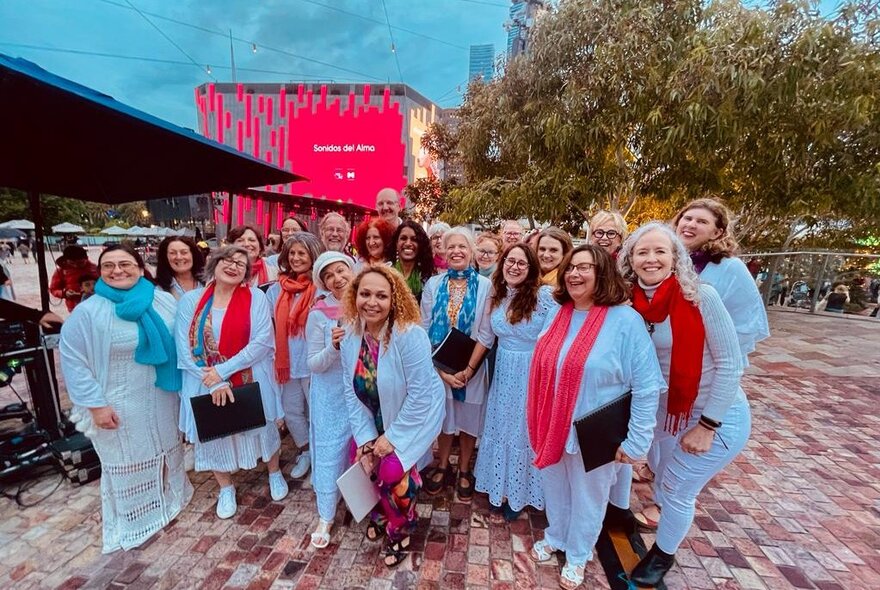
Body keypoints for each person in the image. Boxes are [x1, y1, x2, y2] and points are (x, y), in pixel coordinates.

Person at [618, 223, 751, 587]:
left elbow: (731, 364)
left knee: (677, 486)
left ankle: (663, 555)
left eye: (660, 251)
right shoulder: (631, 302)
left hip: (715, 413)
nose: (651, 258)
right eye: (642, 251)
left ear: (675, 257)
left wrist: (707, 426)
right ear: (630, 259)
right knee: (654, 472)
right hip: (666, 411)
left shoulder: (701, 297)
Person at [527, 244, 664, 590]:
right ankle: (557, 535)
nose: (574, 274)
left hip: (596, 430)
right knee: (555, 486)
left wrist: (636, 441)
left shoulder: (625, 320)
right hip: (553, 422)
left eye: (584, 267)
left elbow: (647, 385)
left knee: (589, 496)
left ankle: (578, 554)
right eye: (571, 267)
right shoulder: (559, 313)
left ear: (602, 273)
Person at [60, 244, 192, 552]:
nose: (117, 270)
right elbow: (74, 362)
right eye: (109, 266)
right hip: (117, 402)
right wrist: (96, 406)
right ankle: (136, 518)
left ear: (139, 266)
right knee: (126, 458)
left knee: (165, 446)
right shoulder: (89, 312)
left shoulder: (161, 300)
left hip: (162, 394)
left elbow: (185, 337)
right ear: (100, 271)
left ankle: (170, 499)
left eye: (125, 264)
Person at [340, 264, 445, 568]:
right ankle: (379, 511)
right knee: (358, 459)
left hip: (415, 414)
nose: (372, 302)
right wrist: (365, 439)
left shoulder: (409, 336)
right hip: (375, 410)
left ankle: (401, 528)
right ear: (355, 296)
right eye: (365, 294)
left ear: (394, 299)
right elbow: (351, 391)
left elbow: (421, 397)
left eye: (381, 296)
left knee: (392, 471)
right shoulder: (350, 335)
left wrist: (392, 439)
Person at [175, 245, 288, 519]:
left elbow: (262, 341)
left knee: (263, 427)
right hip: (205, 380)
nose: (234, 265)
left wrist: (224, 370)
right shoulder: (192, 300)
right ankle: (226, 487)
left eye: (241, 263)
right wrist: (214, 381)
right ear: (214, 264)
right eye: (228, 259)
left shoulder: (255, 298)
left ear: (247, 273)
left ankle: (274, 471)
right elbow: (184, 348)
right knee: (216, 433)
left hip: (248, 373)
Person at [474, 244, 558, 522]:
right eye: (510, 261)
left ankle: (520, 493)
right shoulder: (497, 296)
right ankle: (499, 486)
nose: (514, 267)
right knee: (502, 425)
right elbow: (486, 336)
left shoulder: (545, 296)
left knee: (524, 429)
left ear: (532, 269)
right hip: (504, 370)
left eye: (522, 263)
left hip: (533, 370)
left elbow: (556, 337)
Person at [420, 227, 494, 501]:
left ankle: (464, 468)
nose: (456, 251)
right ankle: (442, 464)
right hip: (439, 368)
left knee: (467, 419)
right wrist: (441, 372)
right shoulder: (434, 285)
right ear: (443, 251)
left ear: (472, 252)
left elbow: (486, 333)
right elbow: (423, 328)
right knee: (444, 419)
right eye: (451, 246)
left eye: (462, 246)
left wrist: (469, 370)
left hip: (470, 368)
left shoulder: (486, 286)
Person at [672, 198, 769, 364]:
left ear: (717, 233)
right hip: (668, 359)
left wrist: (717, 358)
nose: (691, 224)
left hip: (708, 363)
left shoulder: (730, 267)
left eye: (702, 221)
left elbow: (746, 323)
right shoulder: (665, 261)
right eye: (687, 218)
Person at [305, 252, 355, 548]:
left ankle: (359, 499)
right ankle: (325, 514)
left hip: (362, 393)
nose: (337, 278)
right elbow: (313, 363)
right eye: (329, 276)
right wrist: (333, 347)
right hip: (329, 395)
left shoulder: (368, 303)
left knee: (360, 448)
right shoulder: (319, 314)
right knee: (329, 451)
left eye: (341, 270)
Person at [266, 232, 326, 479]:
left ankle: (321, 457)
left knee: (317, 411)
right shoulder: (275, 291)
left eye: (302, 252)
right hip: (287, 365)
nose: (296, 257)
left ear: (313, 255)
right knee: (292, 412)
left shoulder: (322, 288)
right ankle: (305, 451)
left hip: (314, 364)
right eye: (292, 253)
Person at [386, 220, 434, 303]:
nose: (408, 243)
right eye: (403, 238)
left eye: (414, 239)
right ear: (396, 243)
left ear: (420, 245)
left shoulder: (428, 277)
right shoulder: (386, 273)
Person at [49, 245, 99, 312]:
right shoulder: (61, 271)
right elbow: (53, 289)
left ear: (86, 258)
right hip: (74, 307)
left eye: (80, 263)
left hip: (95, 305)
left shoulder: (95, 269)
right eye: (72, 263)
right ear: (66, 261)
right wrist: (64, 293)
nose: (76, 265)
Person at [155, 236, 205, 300]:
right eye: (172, 253)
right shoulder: (159, 290)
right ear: (165, 258)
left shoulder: (208, 282)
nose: (179, 257)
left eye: (184, 252)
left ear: (193, 255)